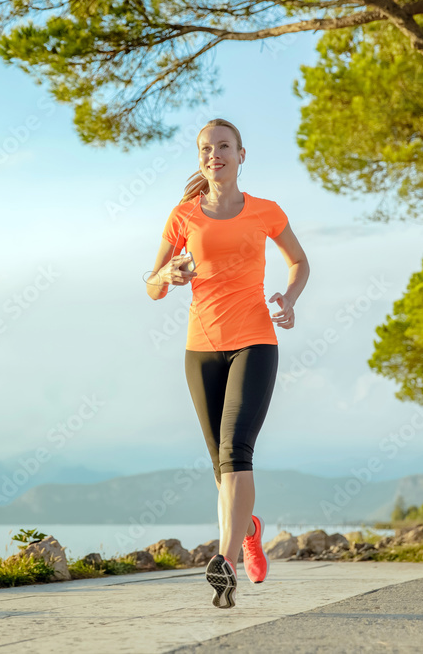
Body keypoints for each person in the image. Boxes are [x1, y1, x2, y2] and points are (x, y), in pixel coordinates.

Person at [144, 118, 310, 609]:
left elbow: (299, 262)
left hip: (256, 340)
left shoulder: (266, 211)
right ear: (200, 157)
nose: (213, 154)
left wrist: (291, 298)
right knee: (223, 470)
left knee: (237, 452)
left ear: (241, 154)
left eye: (223, 146)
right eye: (205, 148)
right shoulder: (183, 216)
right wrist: (167, 272)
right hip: (202, 349)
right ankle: (249, 530)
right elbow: (151, 285)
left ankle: (225, 561)